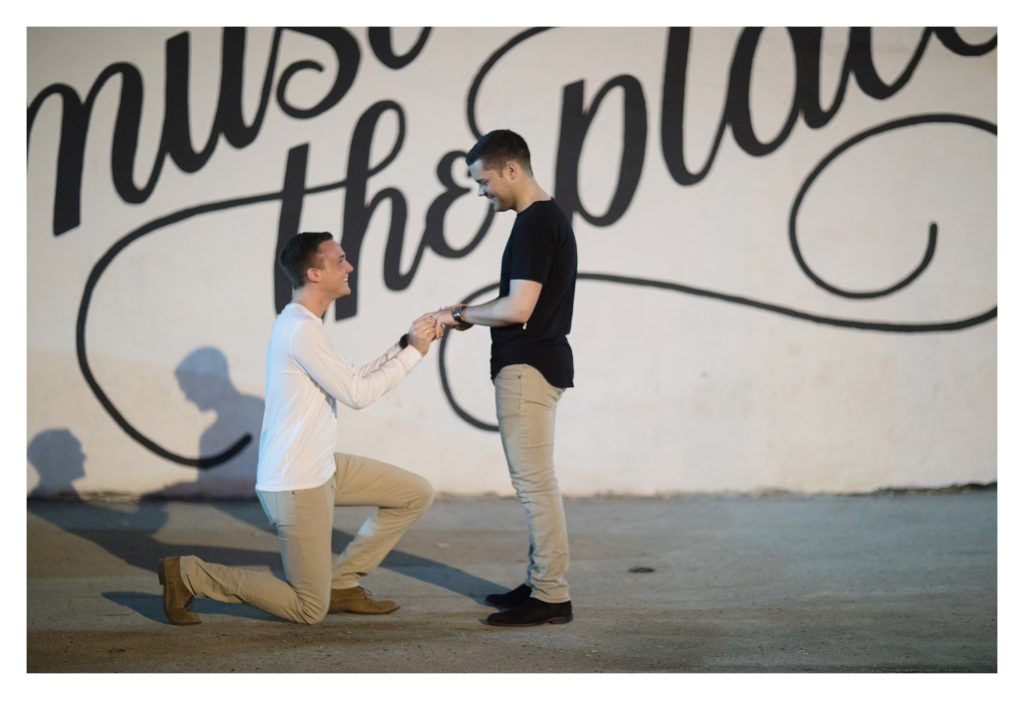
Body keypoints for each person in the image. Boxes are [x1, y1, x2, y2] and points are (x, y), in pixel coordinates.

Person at [158, 231, 440, 625]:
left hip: (320, 467)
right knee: (308, 608)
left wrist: (406, 343)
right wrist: (414, 354)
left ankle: (341, 584)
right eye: (339, 260)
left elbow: (351, 377)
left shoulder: (307, 325)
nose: (349, 267)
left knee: (414, 494)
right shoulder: (301, 330)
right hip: (296, 483)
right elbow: (357, 394)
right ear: (313, 273)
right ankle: (189, 574)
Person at [435, 129, 577, 627]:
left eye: (483, 180)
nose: (481, 192)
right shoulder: (543, 219)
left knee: (534, 484)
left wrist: (459, 313)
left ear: (511, 169)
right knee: (536, 481)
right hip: (540, 363)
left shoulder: (536, 224)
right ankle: (540, 582)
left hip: (528, 367)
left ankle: (552, 595)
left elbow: (519, 307)